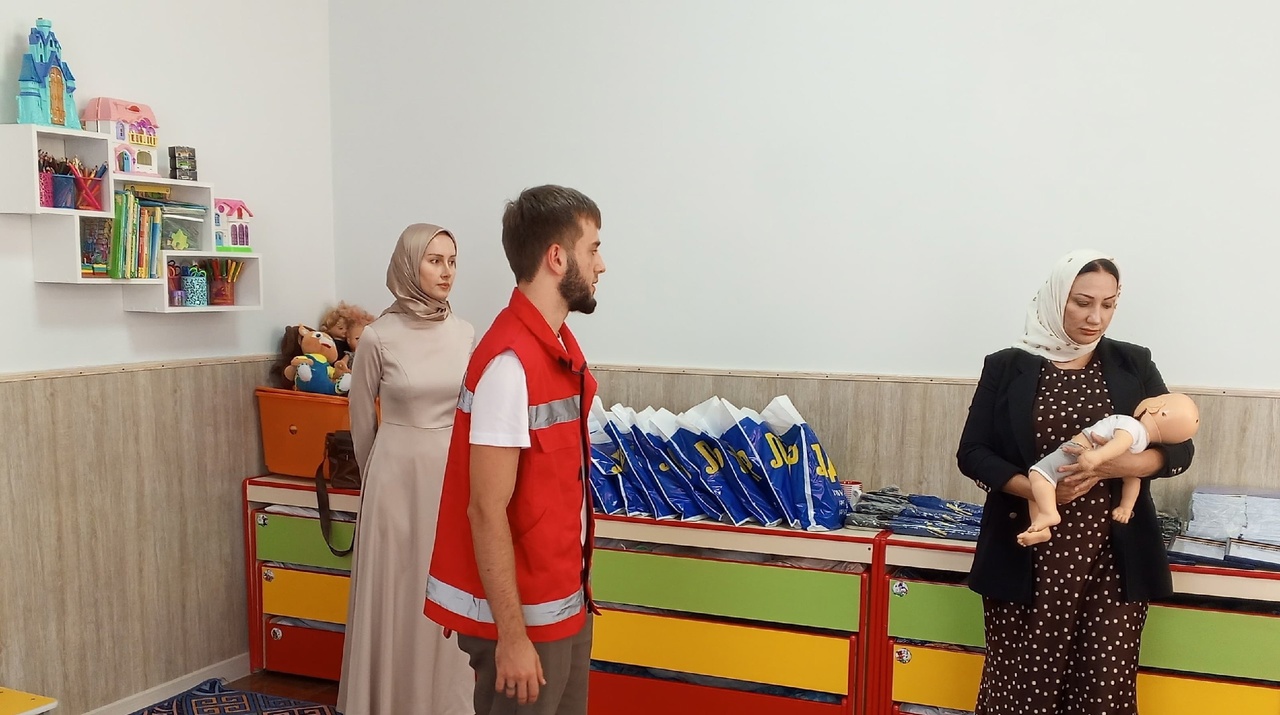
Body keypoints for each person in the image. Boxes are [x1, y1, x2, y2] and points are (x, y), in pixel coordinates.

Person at [956, 248, 1194, 715]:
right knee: (1023, 691)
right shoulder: (1007, 366)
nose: (1095, 317)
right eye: (1082, 302)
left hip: (1112, 558)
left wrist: (1119, 467)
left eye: (1108, 304)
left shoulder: (1132, 362)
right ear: (1055, 297)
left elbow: (1179, 446)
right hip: (1029, 554)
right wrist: (1035, 488)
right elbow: (973, 453)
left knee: (1103, 691)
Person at [425, 184, 607, 715]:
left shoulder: (557, 350)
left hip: (564, 602)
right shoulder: (510, 365)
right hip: (525, 622)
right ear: (557, 258)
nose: (601, 265)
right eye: (593, 249)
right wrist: (511, 637)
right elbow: (485, 509)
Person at [337, 223, 476, 715]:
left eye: (452, 261)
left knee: (445, 590)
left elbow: (471, 413)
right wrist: (379, 481)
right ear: (408, 264)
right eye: (434, 260)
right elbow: (361, 424)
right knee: (398, 593)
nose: (446, 272)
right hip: (394, 479)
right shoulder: (378, 336)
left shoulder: (466, 333)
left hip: (451, 475)